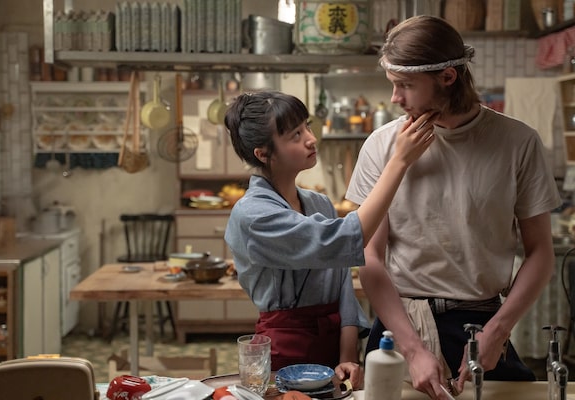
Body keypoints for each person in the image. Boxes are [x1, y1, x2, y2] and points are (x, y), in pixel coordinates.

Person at [346, 14, 562, 398]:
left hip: (481, 324)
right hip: (400, 325)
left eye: (405, 85)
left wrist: (498, 330)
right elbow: (370, 257)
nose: (395, 98)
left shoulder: (517, 142)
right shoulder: (381, 146)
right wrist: (413, 349)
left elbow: (541, 252)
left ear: (447, 77)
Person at [223, 90, 436, 389]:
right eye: (295, 135)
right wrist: (398, 161)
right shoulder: (253, 214)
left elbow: (342, 286)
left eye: (307, 127)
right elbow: (345, 240)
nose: (311, 139)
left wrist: (348, 357)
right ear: (263, 154)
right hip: (286, 349)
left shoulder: (319, 204)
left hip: (334, 346)